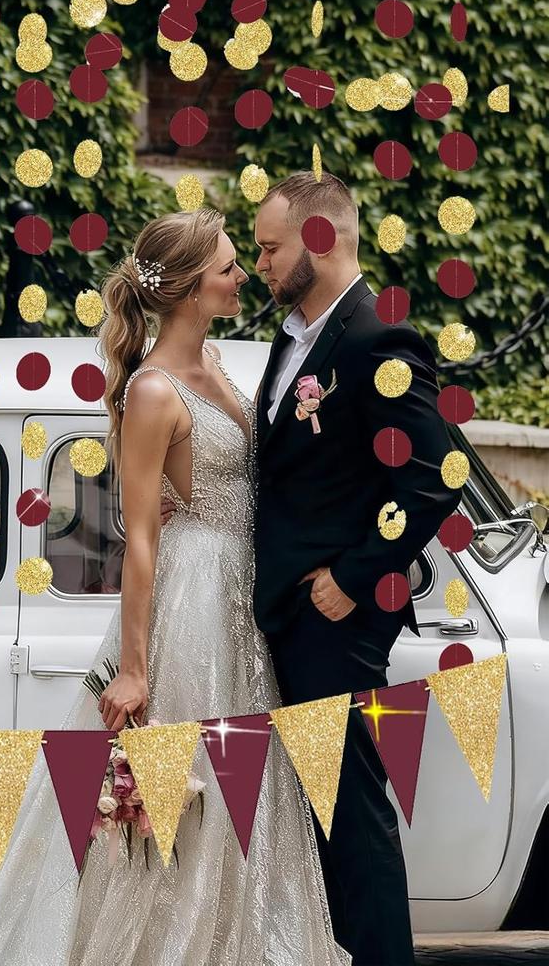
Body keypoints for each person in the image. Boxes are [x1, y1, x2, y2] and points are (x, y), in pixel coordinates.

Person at [0, 206, 351, 966]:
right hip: (190, 600)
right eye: (227, 266)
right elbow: (142, 539)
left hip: (238, 598)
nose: (240, 276)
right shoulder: (155, 391)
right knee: (184, 789)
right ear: (190, 287)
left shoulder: (217, 365)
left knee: (239, 782)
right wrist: (133, 666)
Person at [163, 172, 458, 966]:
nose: (257, 262)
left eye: (268, 246)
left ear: (320, 240)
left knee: (350, 814)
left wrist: (355, 577)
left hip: (335, 622)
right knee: (318, 816)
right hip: (280, 613)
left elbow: (434, 477)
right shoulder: (297, 334)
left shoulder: (373, 339)